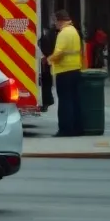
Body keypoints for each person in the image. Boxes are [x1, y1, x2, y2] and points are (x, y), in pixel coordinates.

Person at [47, 9, 84, 137]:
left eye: (55, 21)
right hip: (75, 69)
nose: (55, 24)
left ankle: (65, 129)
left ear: (60, 20)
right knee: (75, 100)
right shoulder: (74, 31)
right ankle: (77, 128)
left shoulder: (63, 33)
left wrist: (49, 60)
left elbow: (59, 52)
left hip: (64, 71)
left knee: (65, 102)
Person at [38, 15, 58, 111]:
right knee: (46, 80)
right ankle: (48, 100)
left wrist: (45, 58)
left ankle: (47, 101)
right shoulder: (51, 32)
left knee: (45, 80)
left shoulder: (49, 33)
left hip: (45, 59)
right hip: (47, 59)